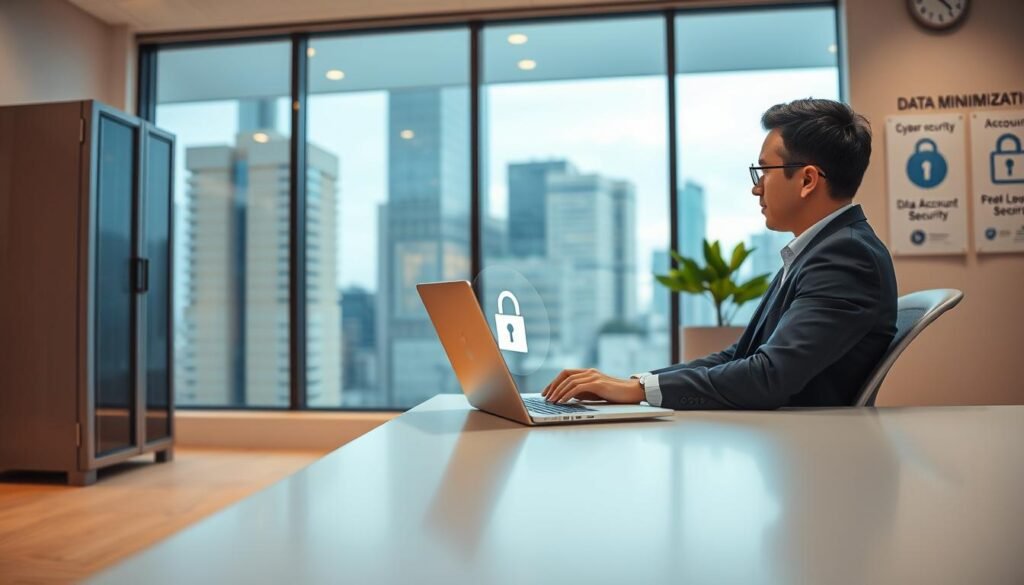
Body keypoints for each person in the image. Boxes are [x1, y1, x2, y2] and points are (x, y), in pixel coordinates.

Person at [542, 98, 897, 410]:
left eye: (764, 171)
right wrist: (632, 385)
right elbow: (740, 356)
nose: (756, 188)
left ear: (807, 180)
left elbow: (768, 377)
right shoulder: (822, 249)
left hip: (807, 453)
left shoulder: (846, 256)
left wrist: (636, 390)